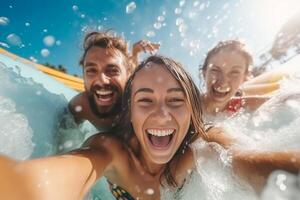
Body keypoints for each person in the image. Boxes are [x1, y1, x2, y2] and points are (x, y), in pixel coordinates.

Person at [1, 55, 299, 200]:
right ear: (129, 112)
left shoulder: (204, 145)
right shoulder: (112, 150)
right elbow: (58, 177)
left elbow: (245, 163)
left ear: (193, 110)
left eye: (175, 100)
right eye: (146, 100)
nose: (161, 114)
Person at [68, 31, 160, 130]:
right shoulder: (80, 106)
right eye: (92, 70)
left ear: (128, 76)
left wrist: (135, 52)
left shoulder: (138, 107)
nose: (102, 80)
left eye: (112, 70)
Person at [199, 40, 269, 116]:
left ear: (245, 78)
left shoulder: (242, 106)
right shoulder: (189, 105)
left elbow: (279, 101)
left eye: (234, 72)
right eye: (215, 70)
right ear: (204, 73)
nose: (223, 83)